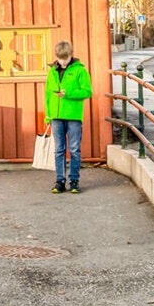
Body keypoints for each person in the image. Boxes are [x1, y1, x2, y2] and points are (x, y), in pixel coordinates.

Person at [44, 40, 91, 193]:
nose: (63, 61)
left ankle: (74, 181)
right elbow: (47, 95)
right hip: (56, 116)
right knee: (59, 149)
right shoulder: (52, 71)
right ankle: (60, 181)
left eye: (65, 58)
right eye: (60, 58)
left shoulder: (80, 71)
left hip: (73, 116)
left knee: (74, 149)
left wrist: (68, 94)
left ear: (71, 55)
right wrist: (48, 115)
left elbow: (87, 91)